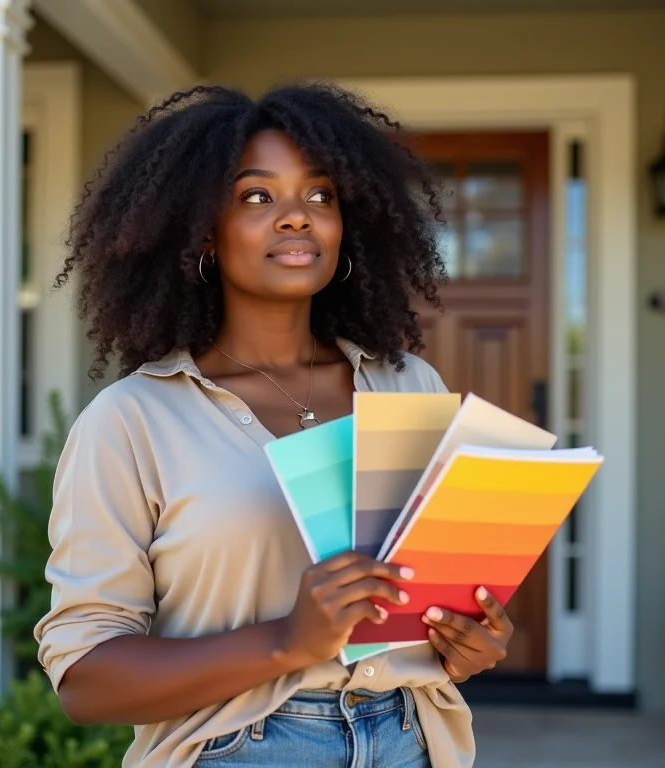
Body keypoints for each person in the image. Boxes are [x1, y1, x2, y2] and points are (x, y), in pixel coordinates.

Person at [34, 81, 513, 768]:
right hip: (237, 748)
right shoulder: (132, 422)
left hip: (414, 739)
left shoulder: (408, 384)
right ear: (203, 227)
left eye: (320, 194)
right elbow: (85, 682)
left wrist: (467, 644)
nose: (297, 217)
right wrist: (287, 640)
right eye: (257, 196)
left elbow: (432, 605)